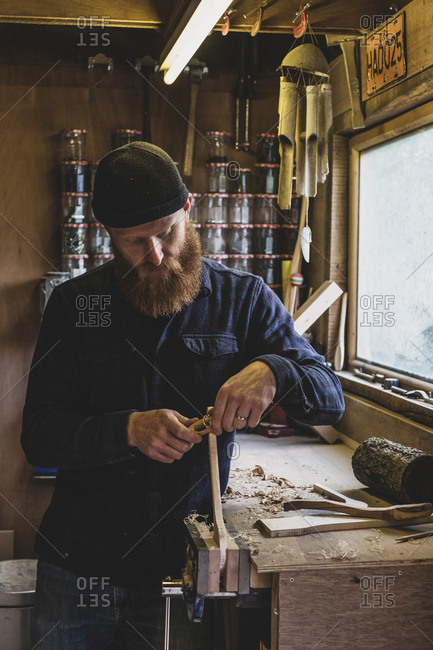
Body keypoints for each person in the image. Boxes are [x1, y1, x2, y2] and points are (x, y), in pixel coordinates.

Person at [21, 142, 344, 649]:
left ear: (188, 209)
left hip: (184, 567)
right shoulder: (77, 306)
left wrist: (275, 371)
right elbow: (39, 436)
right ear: (107, 234)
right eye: (134, 242)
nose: (155, 256)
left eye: (166, 232)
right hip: (80, 567)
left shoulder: (244, 300)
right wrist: (126, 429)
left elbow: (331, 399)